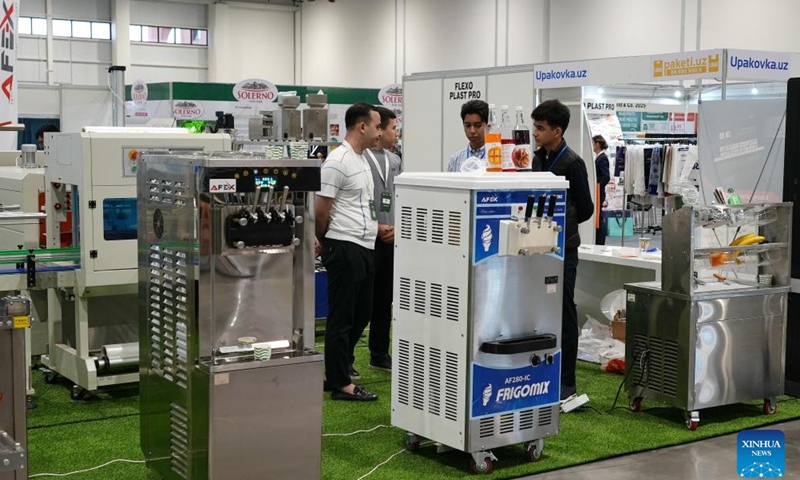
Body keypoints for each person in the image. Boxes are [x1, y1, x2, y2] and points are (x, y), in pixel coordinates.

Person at [316, 102, 382, 402]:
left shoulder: (363, 158)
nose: (380, 132)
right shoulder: (337, 161)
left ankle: (335, 370)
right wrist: (325, 241)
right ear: (362, 126)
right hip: (344, 245)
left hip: (364, 246)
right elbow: (321, 211)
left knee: (363, 313)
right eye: (378, 126)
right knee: (342, 317)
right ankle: (340, 382)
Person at [530, 99, 594, 402]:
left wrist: (561, 223)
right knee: (539, 309)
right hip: (538, 246)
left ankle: (567, 382)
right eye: (535, 127)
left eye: (541, 128)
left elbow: (586, 209)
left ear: (558, 131)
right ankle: (541, 372)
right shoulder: (537, 159)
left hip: (564, 248)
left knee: (564, 309)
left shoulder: (573, 163)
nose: (535, 133)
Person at [349, 106, 401, 375]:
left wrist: (396, 227)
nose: (396, 133)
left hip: (391, 239)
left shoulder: (395, 161)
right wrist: (377, 226)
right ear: (378, 129)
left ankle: (379, 353)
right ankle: (345, 359)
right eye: (393, 127)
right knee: (361, 302)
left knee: (385, 300)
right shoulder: (359, 158)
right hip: (367, 238)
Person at [447, 100, 488, 172]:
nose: (472, 131)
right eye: (468, 126)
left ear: (488, 126)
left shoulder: (497, 157)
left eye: (478, 126)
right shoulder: (455, 159)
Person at [592, 135, 611, 246]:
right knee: (598, 216)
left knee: (599, 217)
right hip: (598, 191)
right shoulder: (599, 157)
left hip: (599, 191)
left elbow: (606, 176)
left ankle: (600, 241)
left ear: (597, 144)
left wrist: (598, 185)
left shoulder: (602, 158)